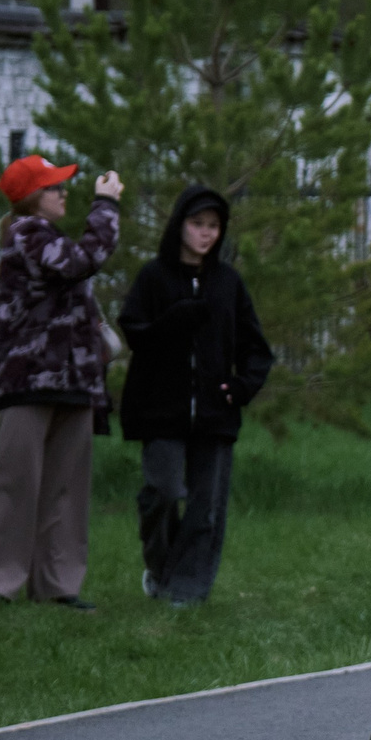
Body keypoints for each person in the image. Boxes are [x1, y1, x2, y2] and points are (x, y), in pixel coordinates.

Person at [0, 154, 121, 610]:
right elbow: (82, 260)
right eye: (55, 187)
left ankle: (58, 586)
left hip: (72, 379)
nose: (63, 193)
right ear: (34, 197)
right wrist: (105, 206)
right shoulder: (27, 234)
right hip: (29, 377)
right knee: (15, 483)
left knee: (66, 487)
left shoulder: (45, 235)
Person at [117, 187, 274, 606]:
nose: (205, 234)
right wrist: (172, 322)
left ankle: (186, 592)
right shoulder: (154, 277)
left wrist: (239, 388)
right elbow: (134, 331)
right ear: (179, 225)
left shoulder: (227, 283)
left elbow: (256, 350)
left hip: (214, 413)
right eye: (197, 224)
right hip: (160, 410)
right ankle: (160, 566)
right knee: (163, 492)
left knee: (206, 508)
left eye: (213, 226)